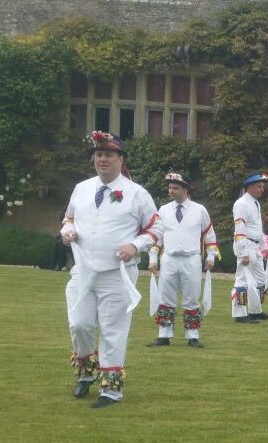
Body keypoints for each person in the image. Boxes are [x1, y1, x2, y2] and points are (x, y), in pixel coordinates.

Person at [60, 131, 161, 408]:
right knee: (78, 324)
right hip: (83, 271)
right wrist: (67, 231)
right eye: (99, 154)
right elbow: (68, 218)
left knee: (113, 330)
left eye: (109, 155)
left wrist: (134, 245)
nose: (102, 159)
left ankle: (111, 389)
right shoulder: (81, 188)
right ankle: (86, 371)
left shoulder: (136, 193)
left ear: (120, 159)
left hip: (117, 274)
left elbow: (155, 228)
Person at [145, 173, 219, 348]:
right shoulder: (163, 210)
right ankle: (164, 335)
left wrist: (210, 257)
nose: (171, 191)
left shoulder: (199, 210)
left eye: (175, 188)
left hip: (191, 259)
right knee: (165, 297)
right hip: (169, 258)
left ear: (186, 189)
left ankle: (192, 335)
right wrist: (153, 257)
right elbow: (157, 237)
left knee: (191, 297)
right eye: (170, 187)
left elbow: (209, 236)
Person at [231, 171, 268, 324]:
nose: (262, 189)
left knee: (260, 279)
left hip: (255, 245)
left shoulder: (255, 203)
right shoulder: (241, 204)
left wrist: (263, 246)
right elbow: (239, 228)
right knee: (242, 280)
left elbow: (258, 226)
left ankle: (255, 311)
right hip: (246, 244)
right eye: (259, 186)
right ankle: (240, 314)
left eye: (263, 186)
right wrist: (243, 253)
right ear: (249, 187)